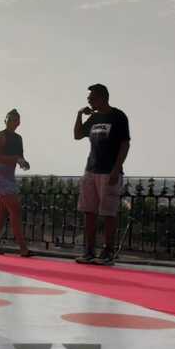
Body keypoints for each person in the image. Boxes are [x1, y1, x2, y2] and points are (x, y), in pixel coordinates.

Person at [73, 84, 130, 265]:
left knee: (108, 213)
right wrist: (79, 115)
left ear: (102, 97)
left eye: (91, 97)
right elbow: (77, 135)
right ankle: (89, 251)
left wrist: (116, 169)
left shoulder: (118, 116)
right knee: (89, 211)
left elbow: (125, 144)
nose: (89, 100)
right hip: (91, 170)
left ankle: (107, 251)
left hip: (109, 171)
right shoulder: (94, 117)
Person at [0, 109, 31, 257]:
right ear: (5, 121)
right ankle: (23, 248)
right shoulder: (1, 135)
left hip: (9, 176)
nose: (12, 122)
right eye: (9, 119)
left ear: (19, 122)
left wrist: (24, 163)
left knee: (2, 214)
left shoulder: (19, 138)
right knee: (15, 211)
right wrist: (13, 159)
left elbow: (19, 157)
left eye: (15, 119)